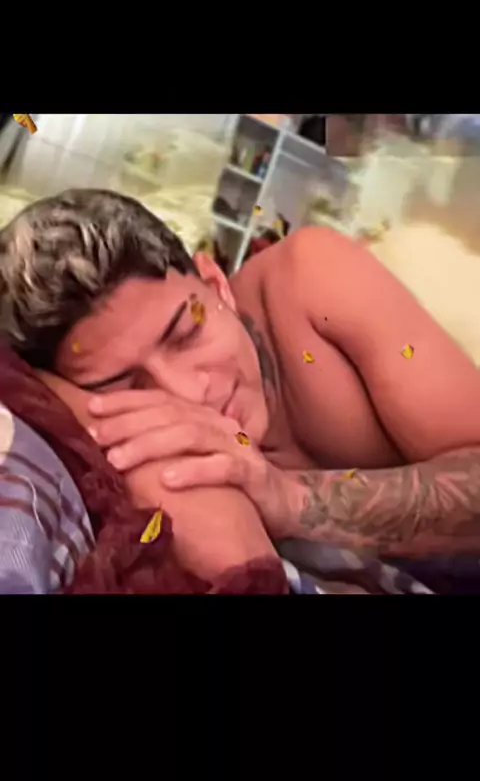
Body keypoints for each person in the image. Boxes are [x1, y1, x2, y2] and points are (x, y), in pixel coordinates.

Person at [1, 189, 480, 589]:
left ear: (216, 285)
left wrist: (290, 499)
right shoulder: (77, 409)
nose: (190, 392)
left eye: (186, 335)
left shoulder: (314, 285)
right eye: (128, 384)